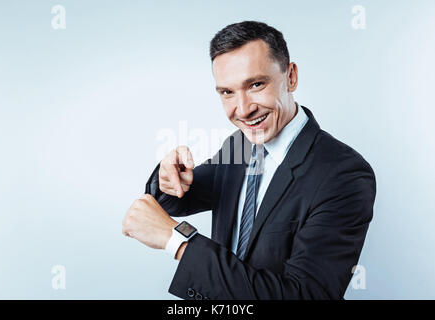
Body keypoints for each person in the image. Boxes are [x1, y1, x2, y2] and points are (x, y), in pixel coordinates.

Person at [122, 21, 376, 300]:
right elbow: (178, 198)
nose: (242, 110)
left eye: (256, 84)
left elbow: (306, 295)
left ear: (291, 77)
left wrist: (178, 241)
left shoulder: (344, 175)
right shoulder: (239, 144)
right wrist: (168, 175)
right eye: (227, 92)